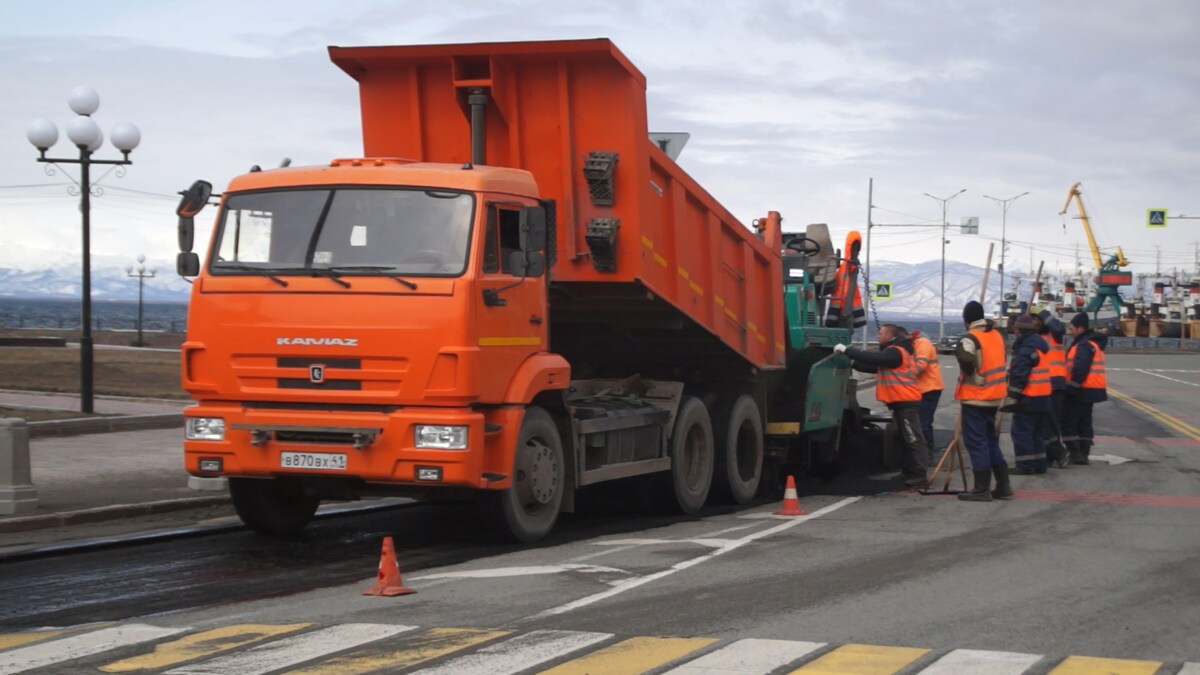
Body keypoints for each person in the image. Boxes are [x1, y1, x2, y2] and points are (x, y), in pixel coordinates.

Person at [834, 324, 930, 487]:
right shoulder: (896, 353)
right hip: (899, 403)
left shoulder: (895, 352)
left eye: (880, 333)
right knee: (905, 438)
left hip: (906, 402)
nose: (878, 335)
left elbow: (875, 359)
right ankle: (908, 471)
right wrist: (851, 363)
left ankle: (920, 474)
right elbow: (874, 366)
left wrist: (847, 350)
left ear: (890, 336)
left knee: (913, 438)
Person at [954, 300, 1012, 502]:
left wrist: (971, 374)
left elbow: (965, 358)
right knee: (990, 442)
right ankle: (1003, 486)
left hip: (976, 397)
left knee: (977, 443)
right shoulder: (996, 335)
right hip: (995, 396)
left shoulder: (971, 338)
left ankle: (981, 489)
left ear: (966, 320)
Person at [1005, 314, 1053, 475]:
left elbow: (1020, 374)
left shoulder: (1026, 349)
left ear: (1019, 330)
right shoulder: (1040, 345)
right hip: (1043, 396)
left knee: (1021, 432)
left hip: (1029, 396)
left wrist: (1013, 395)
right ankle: (1039, 463)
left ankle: (1025, 465)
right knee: (1036, 432)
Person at [1062, 312, 1108, 464]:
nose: (1070, 331)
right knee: (1084, 422)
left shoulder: (1083, 345)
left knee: (1070, 421)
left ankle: (1075, 453)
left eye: (1072, 328)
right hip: (1091, 390)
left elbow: (1080, 368)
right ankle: (1084, 452)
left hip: (1081, 389)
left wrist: (1071, 388)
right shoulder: (1093, 343)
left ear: (1080, 328)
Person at [1035, 310, 1070, 468]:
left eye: (1037, 320)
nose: (1035, 323)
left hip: (1055, 383)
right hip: (1042, 384)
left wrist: (1043, 313)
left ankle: (1058, 453)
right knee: (1045, 423)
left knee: (1050, 423)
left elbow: (1059, 328)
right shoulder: (1035, 338)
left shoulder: (1053, 335)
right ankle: (1051, 455)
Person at [910, 329, 944, 455]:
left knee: (923, 422)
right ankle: (926, 451)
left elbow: (920, 365)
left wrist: (904, 375)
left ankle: (926, 453)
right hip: (928, 387)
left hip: (929, 388)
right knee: (923, 421)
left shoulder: (922, 343)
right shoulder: (923, 343)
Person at [824, 231, 866, 329]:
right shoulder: (847, 268)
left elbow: (845, 291)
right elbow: (844, 291)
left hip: (841, 312)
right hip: (842, 312)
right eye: (854, 246)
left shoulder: (848, 268)